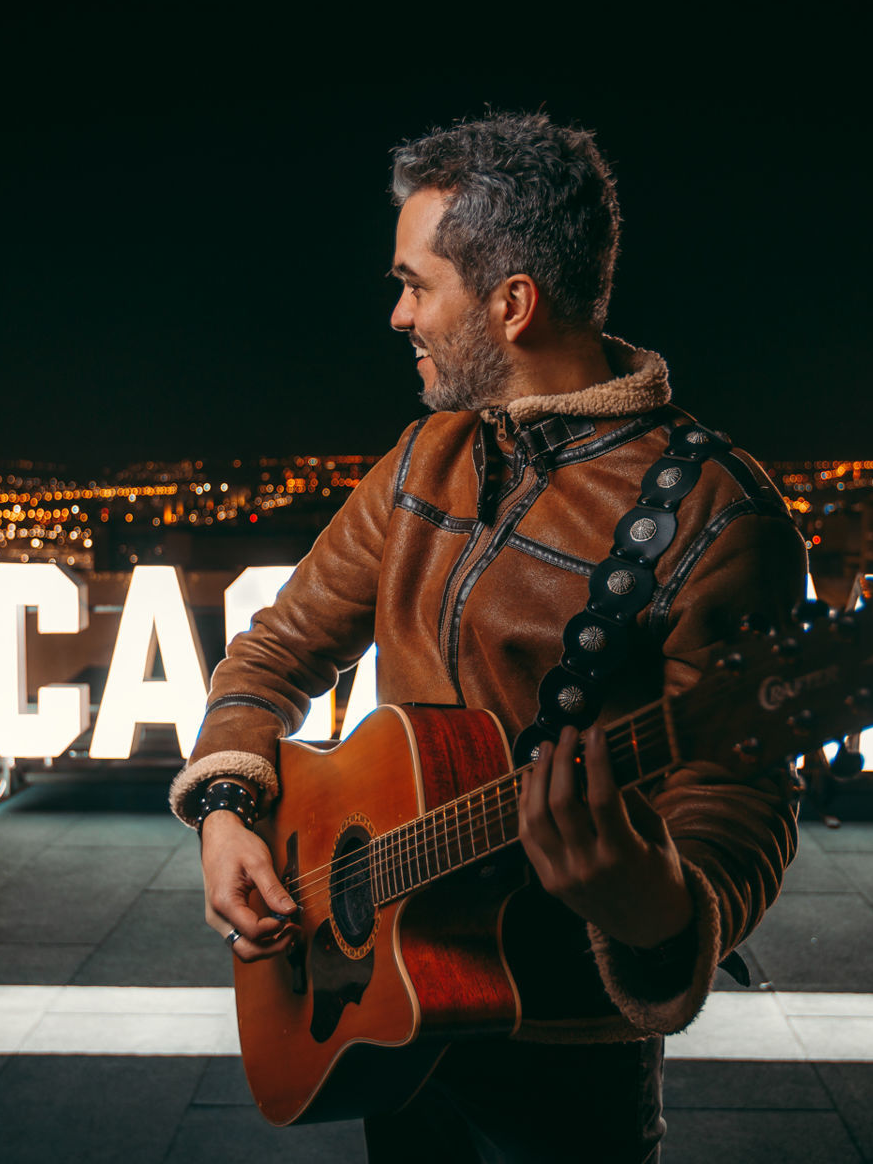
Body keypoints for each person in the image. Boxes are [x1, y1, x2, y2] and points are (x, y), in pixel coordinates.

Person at [173, 113, 806, 1161]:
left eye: (417, 283)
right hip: (395, 1008)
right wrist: (229, 808)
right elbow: (278, 646)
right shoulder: (426, 456)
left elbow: (739, 808)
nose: (397, 313)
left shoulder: (717, 516)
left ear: (512, 303)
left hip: (566, 1056)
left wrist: (652, 901)